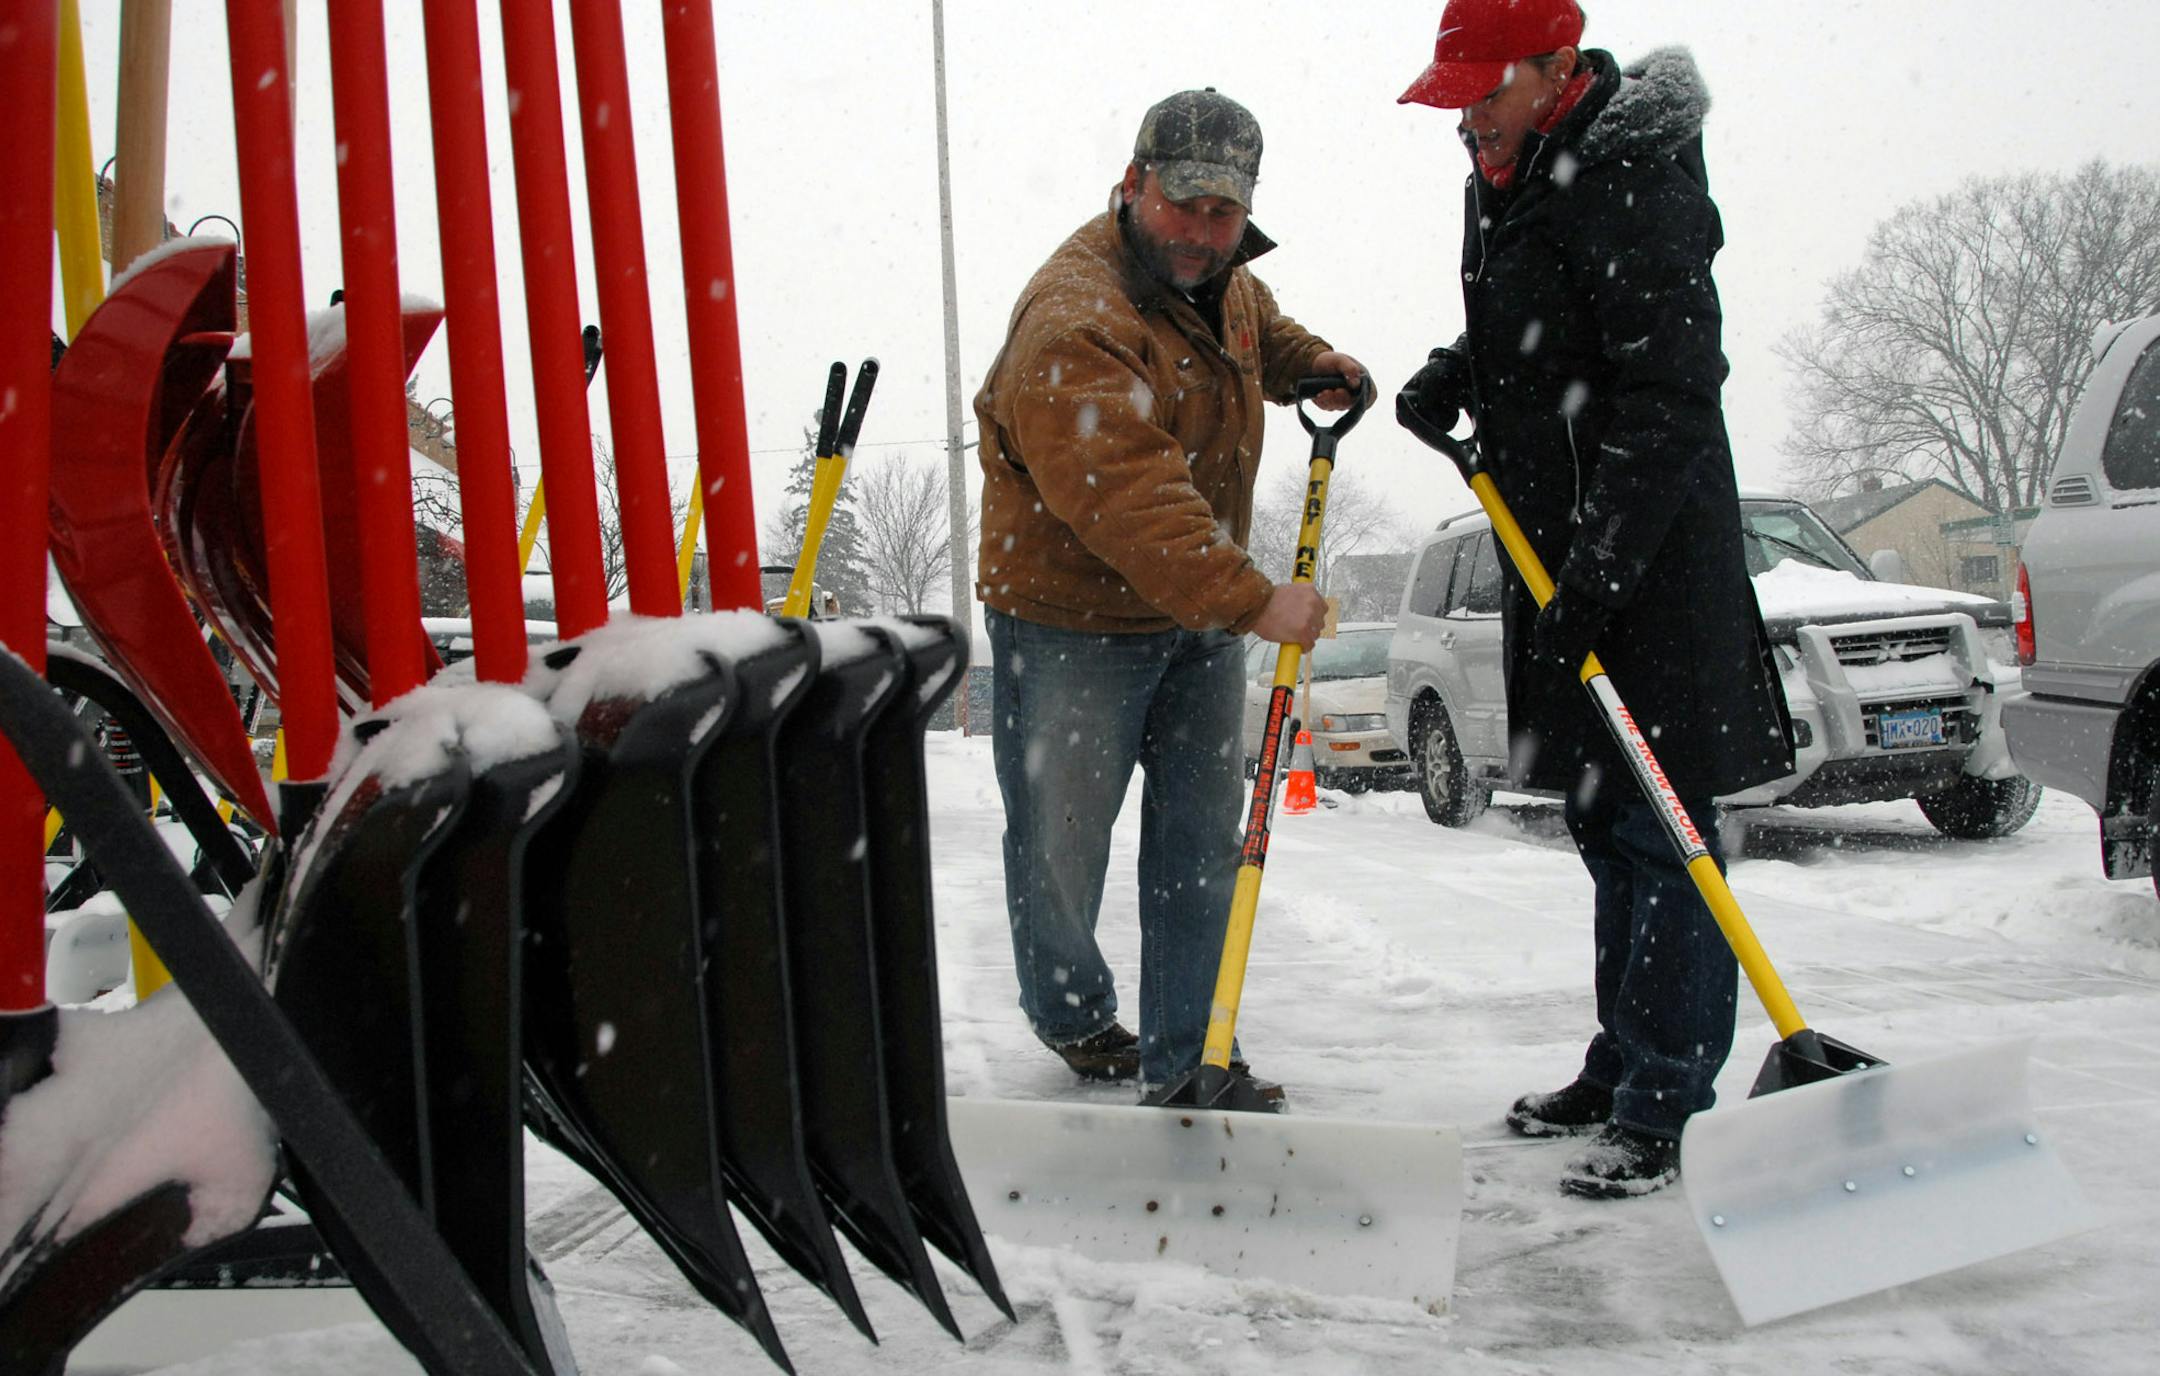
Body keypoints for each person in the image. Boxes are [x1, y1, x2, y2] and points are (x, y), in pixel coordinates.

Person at [1395, 0, 1794, 1197]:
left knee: (1661, 828)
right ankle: (1625, 1057)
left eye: (1482, 86)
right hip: (1553, 555)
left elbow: (1668, 395)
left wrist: (1603, 573)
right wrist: (1455, 371)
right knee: (1596, 814)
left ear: (1557, 67)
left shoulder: (1634, 180)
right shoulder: (1504, 167)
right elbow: (1539, 332)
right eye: (1454, 90)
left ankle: (1666, 1095)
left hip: (1647, 568)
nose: (1462, 113)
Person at [973, 88, 1365, 1092]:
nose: (1201, 232)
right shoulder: (1075, 317)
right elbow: (1128, 497)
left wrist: (1306, 363)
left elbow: (1252, 326)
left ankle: (1193, 1052)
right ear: (1133, 184)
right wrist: (1252, 598)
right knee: (1061, 846)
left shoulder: (1221, 277)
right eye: (1183, 206)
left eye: (1224, 213)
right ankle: (1070, 1010)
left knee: (1199, 844)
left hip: (1195, 618)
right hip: (1071, 622)